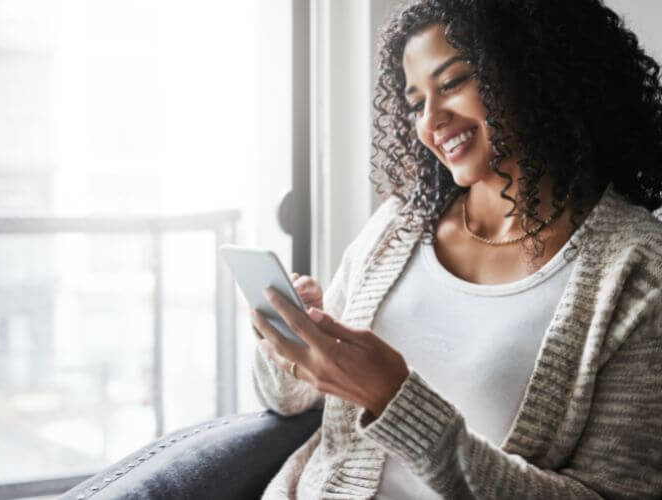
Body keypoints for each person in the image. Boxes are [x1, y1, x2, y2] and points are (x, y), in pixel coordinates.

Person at [249, 0, 662, 498]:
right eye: (416, 102)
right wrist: (288, 341)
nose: (432, 121)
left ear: (534, 70)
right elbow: (287, 399)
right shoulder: (398, 228)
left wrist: (393, 400)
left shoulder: (638, 273)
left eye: (452, 84)